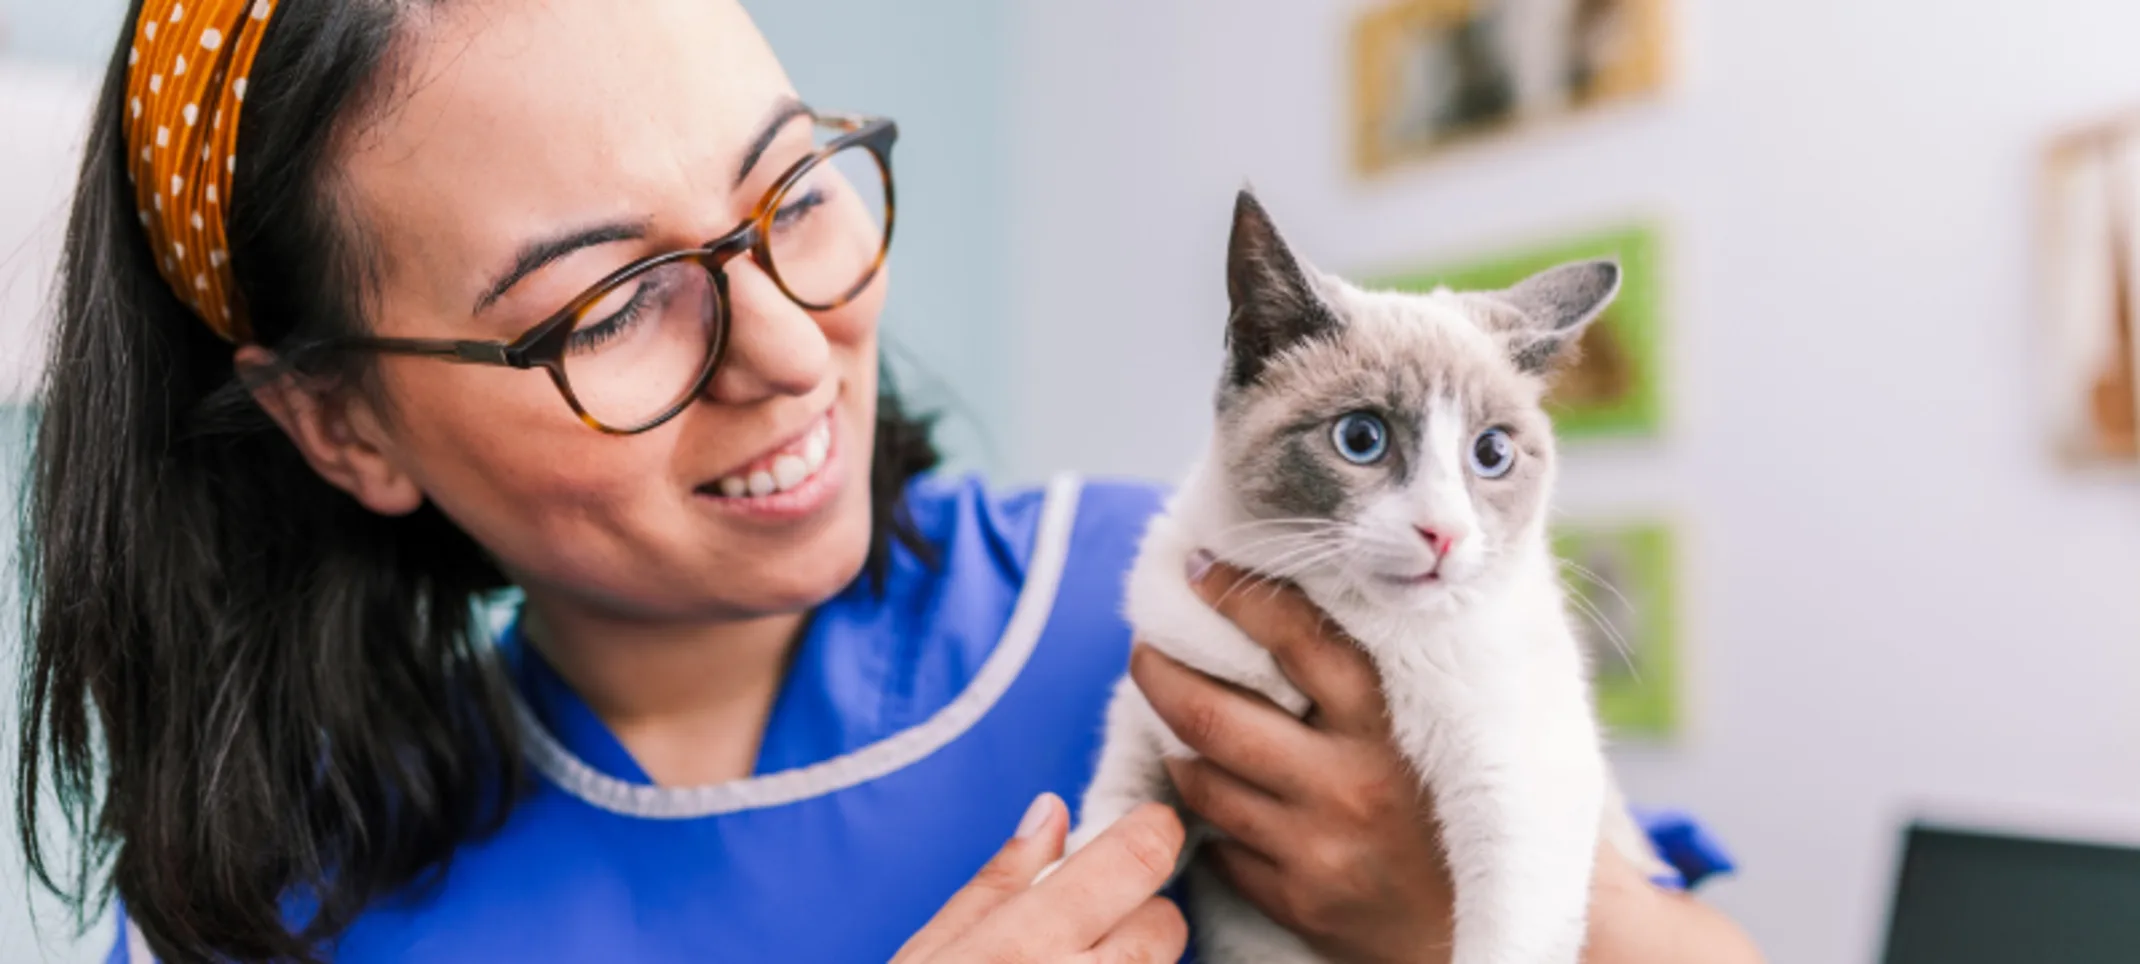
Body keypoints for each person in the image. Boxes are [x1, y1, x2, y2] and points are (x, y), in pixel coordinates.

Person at [12, 0, 1762, 961]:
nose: (789, 345)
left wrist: (1486, 911)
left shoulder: (1207, 610)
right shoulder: (277, 908)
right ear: (344, 429)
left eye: (797, 195)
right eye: (613, 304)